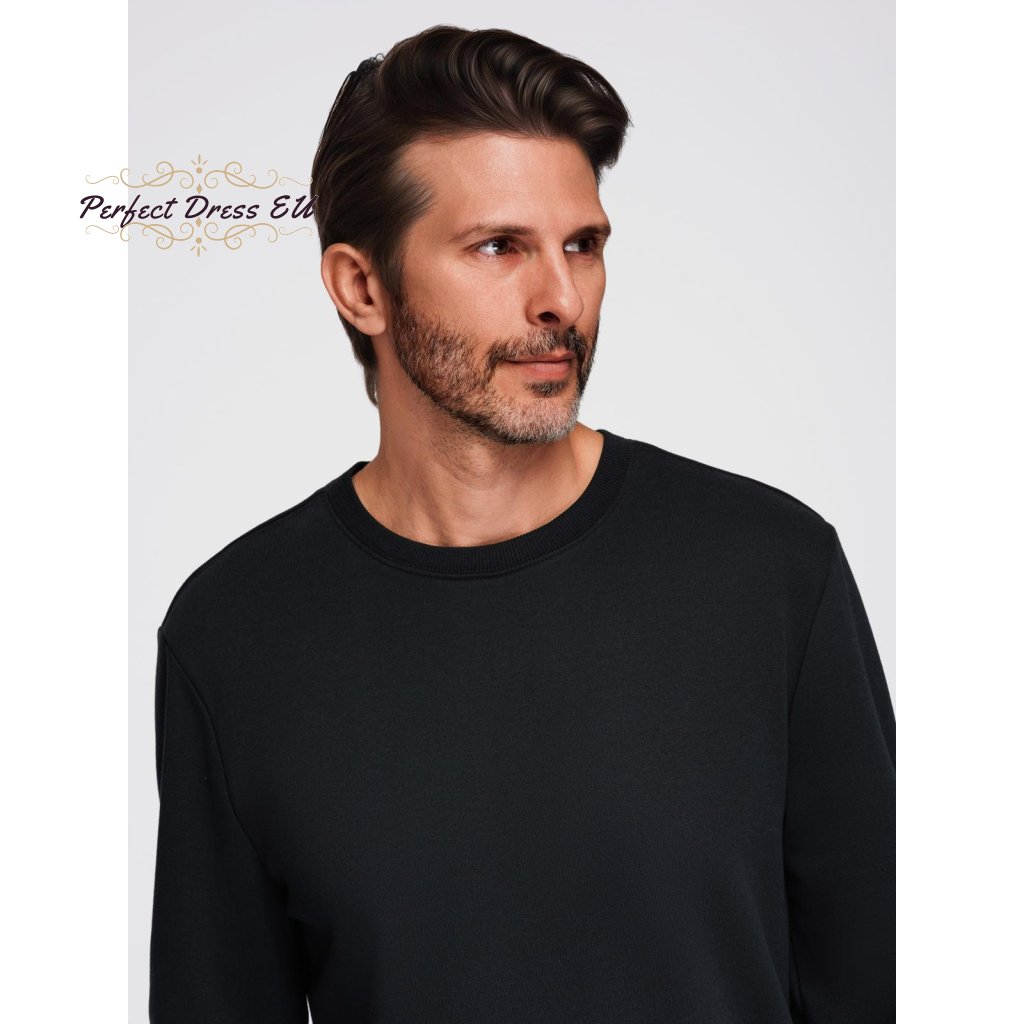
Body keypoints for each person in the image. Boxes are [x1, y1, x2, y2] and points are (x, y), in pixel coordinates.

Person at [149, 24, 896, 1024]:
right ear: (361, 287)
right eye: (499, 246)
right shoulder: (235, 632)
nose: (561, 299)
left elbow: (887, 983)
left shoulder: (772, 574)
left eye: (582, 245)